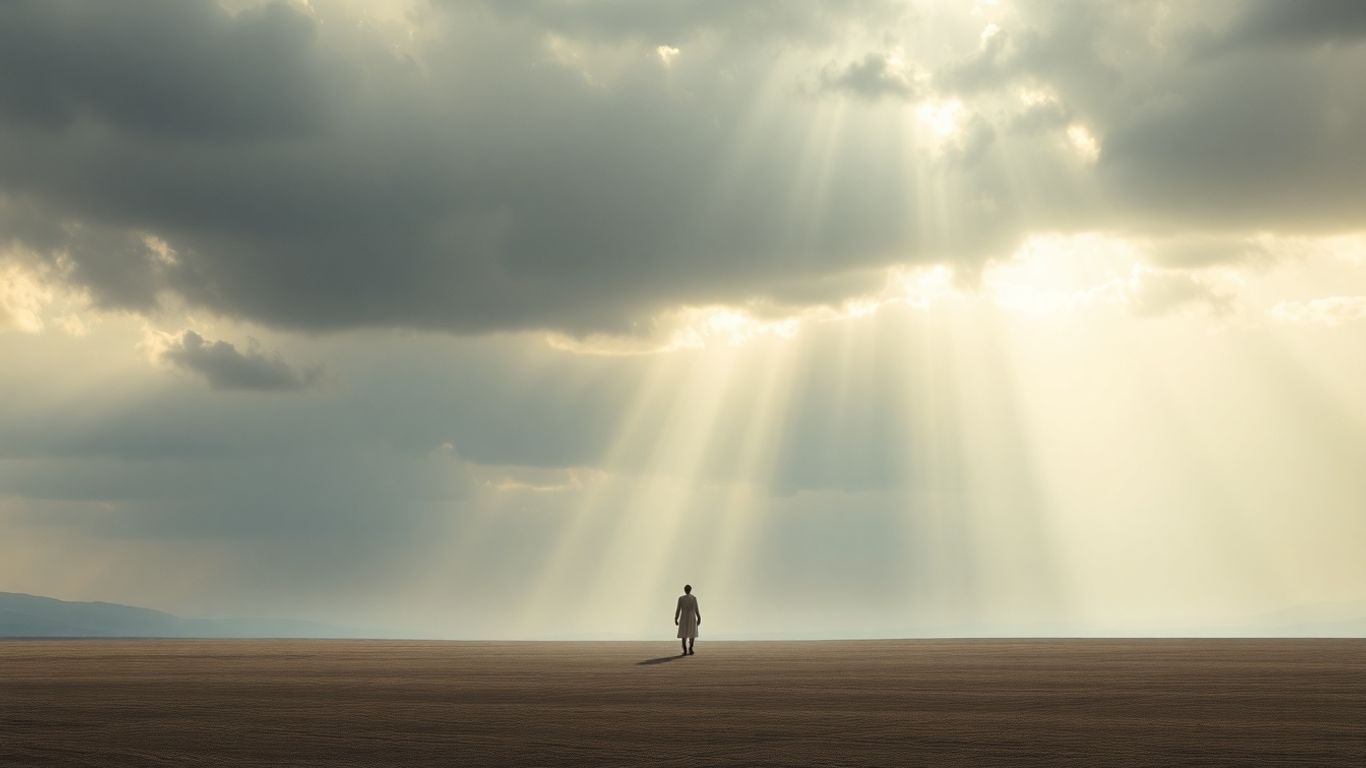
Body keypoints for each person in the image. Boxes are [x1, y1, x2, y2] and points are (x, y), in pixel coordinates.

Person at [675, 584, 701, 656]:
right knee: (692, 633)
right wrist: (699, 617)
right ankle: (690, 648)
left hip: (684, 616)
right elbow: (696, 609)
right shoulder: (693, 598)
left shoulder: (681, 598)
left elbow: (678, 609)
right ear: (690, 590)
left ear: (685, 590)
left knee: (684, 633)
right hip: (691, 616)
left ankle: (685, 650)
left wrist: (676, 618)